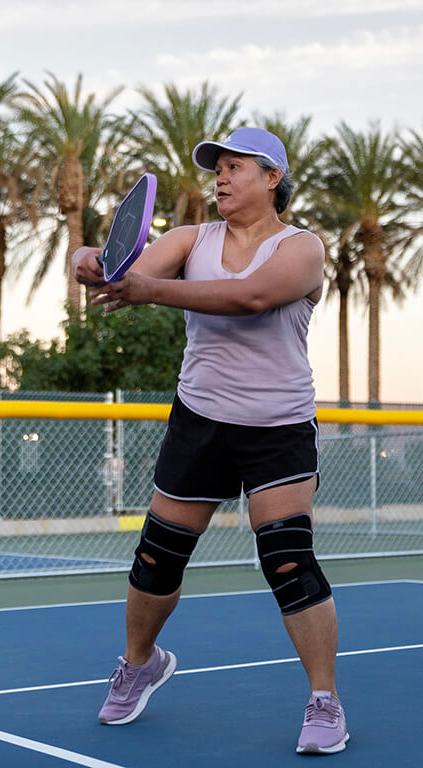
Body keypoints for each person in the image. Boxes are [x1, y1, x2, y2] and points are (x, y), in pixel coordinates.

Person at [73, 127, 349, 755]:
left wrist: (150, 290)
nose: (220, 177)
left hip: (277, 427)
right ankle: (140, 662)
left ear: (272, 177)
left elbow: (250, 297)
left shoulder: (302, 248)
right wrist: (89, 263)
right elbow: (126, 274)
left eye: (235, 166)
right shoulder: (190, 239)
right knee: (155, 559)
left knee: (287, 561)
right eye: (216, 168)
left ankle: (325, 702)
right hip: (200, 420)